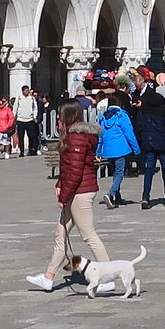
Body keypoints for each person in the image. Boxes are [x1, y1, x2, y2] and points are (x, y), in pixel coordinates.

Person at [26, 99, 112, 292]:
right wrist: (59, 184)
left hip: (81, 191)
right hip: (76, 190)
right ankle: (48, 277)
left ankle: (107, 277)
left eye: (60, 115)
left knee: (89, 235)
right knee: (61, 234)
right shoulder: (74, 136)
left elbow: (75, 172)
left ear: (68, 116)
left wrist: (63, 196)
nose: (58, 118)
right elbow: (67, 169)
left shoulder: (76, 137)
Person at [133, 81, 165, 210]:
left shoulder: (143, 110)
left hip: (148, 143)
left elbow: (139, 126)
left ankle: (145, 197)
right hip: (163, 143)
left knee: (149, 170)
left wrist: (143, 140)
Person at [95, 91, 138, 206]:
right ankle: (111, 194)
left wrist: (98, 151)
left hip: (108, 149)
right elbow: (129, 133)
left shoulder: (103, 117)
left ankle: (117, 197)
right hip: (121, 148)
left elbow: (100, 135)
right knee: (119, 173)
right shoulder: (122, 115)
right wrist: (136, 149)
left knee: (115, 172)